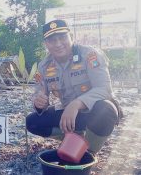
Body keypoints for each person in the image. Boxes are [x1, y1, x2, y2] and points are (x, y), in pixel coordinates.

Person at [26, 20, 122, 154]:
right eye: (52, 40)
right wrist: (38, 103)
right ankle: (75, 139)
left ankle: (88, 152)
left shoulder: (89, 55)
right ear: (46, 44)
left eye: (62, 37)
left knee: (107, 109)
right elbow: (38, 93)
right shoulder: (44, 66)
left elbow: (104, 89)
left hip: (93, 112)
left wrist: (77, 104)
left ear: (71, 37)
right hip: (69, 115)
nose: (58, 44)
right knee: (32, 122)